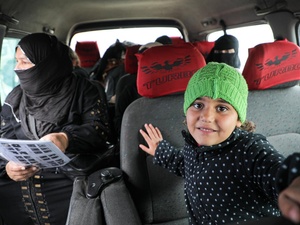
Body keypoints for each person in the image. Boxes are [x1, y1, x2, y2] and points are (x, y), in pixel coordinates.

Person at [139, 62, 300, 224]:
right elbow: (186, 165)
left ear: (238, 120)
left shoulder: (249, 150)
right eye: (198, 105)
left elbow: (277, 171)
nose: (207, 117)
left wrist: (294, 181)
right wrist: (161, 150)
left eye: (222, 108)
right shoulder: (193, 146)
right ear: (186, 111)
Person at [0, 33, 113, 225]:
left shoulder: (84, 90)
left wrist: (65, 138)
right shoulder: (15, 98)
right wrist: (9, 168)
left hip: (70, 184)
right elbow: (3, 142)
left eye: (24, 62)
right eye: (16, 61)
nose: (17, 68)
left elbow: (100, 131)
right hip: (19, 190)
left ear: (47, 64)